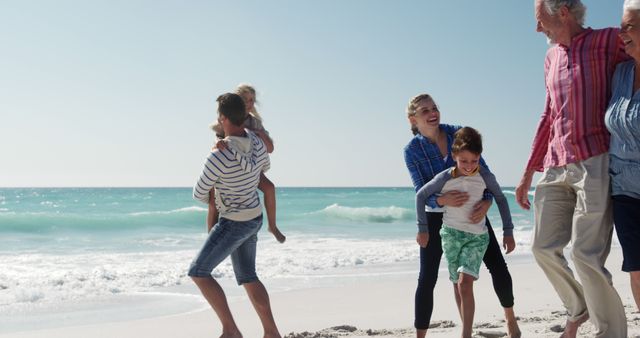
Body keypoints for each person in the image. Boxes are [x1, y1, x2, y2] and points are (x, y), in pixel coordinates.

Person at [515, 1, 629, 337]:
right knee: (542, 247)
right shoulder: (551, 58)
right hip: (554, 164)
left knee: (585, 255)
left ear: (563, 12)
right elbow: (548, 116)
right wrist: (527, 174)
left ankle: (611, 332)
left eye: (541, 20)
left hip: (595, 159)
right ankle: (579, 307)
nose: (538, 29)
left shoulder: (608, 41)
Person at [404, 94, 520, 338]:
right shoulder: (412, 151)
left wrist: (487, 202)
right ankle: (421, 336)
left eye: (434, 107)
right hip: (438, 217)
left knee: (497, 266)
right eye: (425, 110)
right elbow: (421, 191)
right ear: (413, 119)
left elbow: (484, 175)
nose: (432, 112)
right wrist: (442, 201)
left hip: (473, 211)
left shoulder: (458, 133)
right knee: (428, 278)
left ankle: (510, 319)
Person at [189, 92, 281, 338]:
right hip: (254, 217)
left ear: (222, 118)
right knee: (249, 276)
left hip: (233, 222)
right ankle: (272, 333)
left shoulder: (218, 155)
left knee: (198, 272)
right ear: (245, 117)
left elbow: (199, 192)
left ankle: (231, 331)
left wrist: (220, 173)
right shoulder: (258, 144)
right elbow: (265, 169)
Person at [208, 84, 285, 243]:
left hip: (251, 169)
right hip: (230, 169)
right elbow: (215, 145)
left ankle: (272, 225)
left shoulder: (255, 123)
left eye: (252, 100)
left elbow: (270, 149)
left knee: (270, 188)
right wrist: (219, 143)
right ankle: (211, 239)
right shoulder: (226, 119)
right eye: (245, 100)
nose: (249, 104)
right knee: (213, 200)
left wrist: (260, 134)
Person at [605, 0, 640, 312]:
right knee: (637, 268)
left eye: (629, 25)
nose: (622, 32)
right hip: (623, 191)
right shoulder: (620, 72)